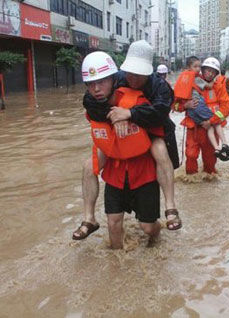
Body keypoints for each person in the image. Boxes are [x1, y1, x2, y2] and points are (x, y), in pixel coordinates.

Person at [73, 40, 182, 240]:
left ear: (149, 72)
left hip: (153, 128)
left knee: (159, 151)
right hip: (119, 137)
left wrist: (130, 113)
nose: (133, 78)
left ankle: (170, 206)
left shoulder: (161, 87)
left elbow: (159, 113)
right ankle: (89, 218)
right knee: (89, 165)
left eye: (139, 74)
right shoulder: (115, 79)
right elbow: (90, 101)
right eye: (130, 72)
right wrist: (115, 116)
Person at [79, 51, 162, 248]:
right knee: (113, 223)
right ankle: (116, 265)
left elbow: (157, 126)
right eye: (91, 84)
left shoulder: (140, 102)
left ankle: (159, 236)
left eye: (102, 82)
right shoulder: (92, 110)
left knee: (148, 227)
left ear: (114, 80)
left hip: (143, 173)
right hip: (115, 173)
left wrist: (130, 116)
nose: (96, 88)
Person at [175, 57, 229, 175]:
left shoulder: (218, 86)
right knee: (190, 156)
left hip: (211, 127)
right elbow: (174, 105)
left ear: (216, 73)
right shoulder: (190, 82)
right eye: (207, 70)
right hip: (194, 128)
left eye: (213, 71)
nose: (210, 73)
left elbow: (226, 108)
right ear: (202, 70)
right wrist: (185, 105)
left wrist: (211, 121)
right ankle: (191, 180)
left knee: (210, 163)